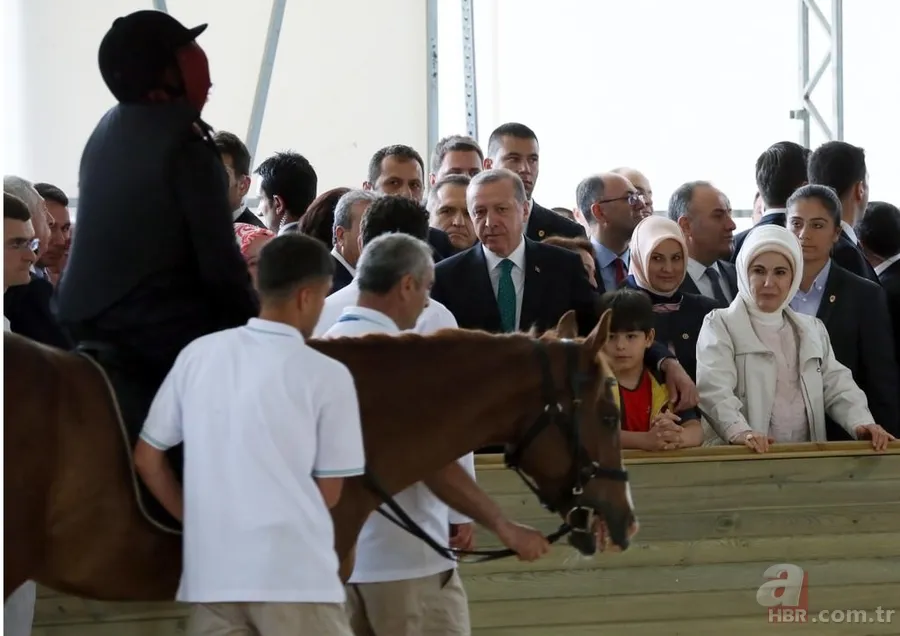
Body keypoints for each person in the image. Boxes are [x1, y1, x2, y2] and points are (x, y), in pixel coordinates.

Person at [134, 234, 362, 635]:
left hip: (212, 577)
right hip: (294, 578)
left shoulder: (198, 355)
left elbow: (147, 459)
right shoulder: (327, 374)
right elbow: (329, 492)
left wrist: (196, 520)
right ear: (307, 296)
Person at [324, 233, 549, 635]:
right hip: (407, 565)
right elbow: (433, 465)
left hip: (336, 566)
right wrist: (503, 526)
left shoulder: (321, 352)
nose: (427, 302)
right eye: (426, 288)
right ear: (406, 285)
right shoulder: (406, 365)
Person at [56, 10, 258, 397]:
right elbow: (221, 266)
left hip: (81, 316)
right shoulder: (185, 146)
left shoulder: (108, 128)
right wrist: (255, 327)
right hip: (153, 329)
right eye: (186, 49)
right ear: (163, 71)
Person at [696, 225, 895, 452]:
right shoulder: (720, 324)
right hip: (744, 457)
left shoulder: (811, 329)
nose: (769, 282)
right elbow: (714, 390)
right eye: (758, 271)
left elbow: (837, 385)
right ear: (743, 271)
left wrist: (861, 422)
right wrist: (740, 431)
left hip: (803, 458)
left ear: (794, 277)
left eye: (780, 272)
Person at [598, 289, 705, 451]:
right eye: (611, 337)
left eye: (631, 336)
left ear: (649, 338)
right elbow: (587, 433)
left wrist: (674, 436)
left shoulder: (664, 380)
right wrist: (644, 440)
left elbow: (696, 429)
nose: (620, 346)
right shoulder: (590, 382)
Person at [621, 215, 719, 381]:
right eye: (657, 258)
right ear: (639, 257)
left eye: (676, 258)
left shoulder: (706, 310)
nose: (668, 268)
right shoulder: (617, 309)